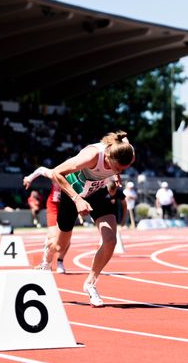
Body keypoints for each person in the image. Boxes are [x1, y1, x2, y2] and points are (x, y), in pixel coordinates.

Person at [49, 130, 135, 307]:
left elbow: (123, 148)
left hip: (96, 193)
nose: (118, 172)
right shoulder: (91, 155)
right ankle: (46, 254)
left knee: (110, 240)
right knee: (60, 245)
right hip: (72, 192)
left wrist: (116, 174)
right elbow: (56, 173)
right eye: (117, 168)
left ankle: (90, 283)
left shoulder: (125, 152)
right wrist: (77, 199)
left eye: (121, 170)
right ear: (109, 156)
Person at [24, 167, 67, 274]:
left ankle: (60, 261)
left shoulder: (76, 177)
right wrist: (29, 178)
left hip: (67, 206)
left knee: (65, 240)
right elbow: (41, 170)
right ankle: (46, 263)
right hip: (53, 206)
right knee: (52, 236)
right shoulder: (56, 173)